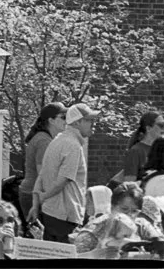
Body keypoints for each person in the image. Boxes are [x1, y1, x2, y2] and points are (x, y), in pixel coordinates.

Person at [33, 103, 92, 242]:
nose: (92, 124)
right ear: (77, 122)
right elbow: (62, 181)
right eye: (89, 120)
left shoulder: (56, 141)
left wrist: (36, 205)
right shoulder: (72, 145)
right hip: (65, 217)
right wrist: (42, 197)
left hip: (50, 213)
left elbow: (41, 176)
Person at [115, 111, 164, 185]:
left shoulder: (162, 149)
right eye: (161, 125)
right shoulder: (135, 151)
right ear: (148, 128)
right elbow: (129, 185)